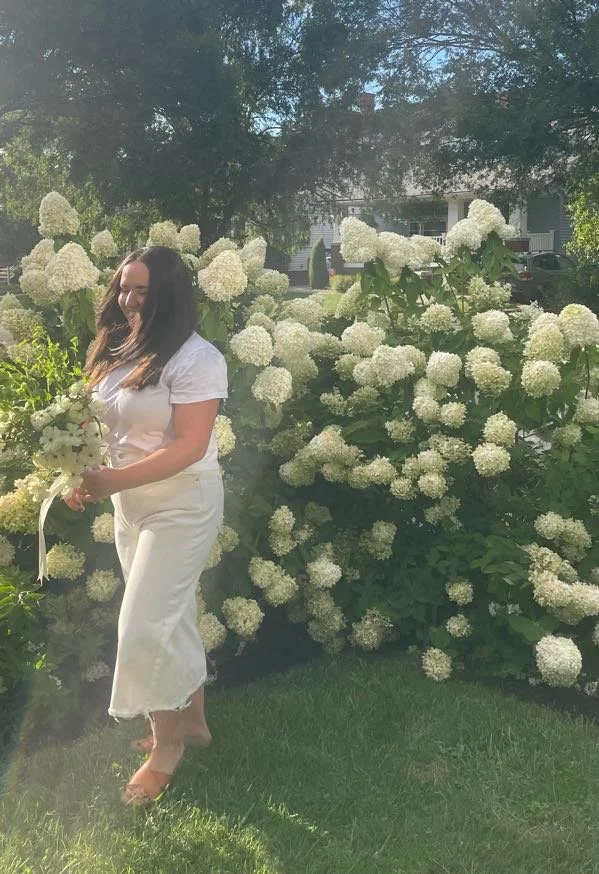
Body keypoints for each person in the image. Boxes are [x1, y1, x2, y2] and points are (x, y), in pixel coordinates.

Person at [65, 245, 228, 805]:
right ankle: (197, 723)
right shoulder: (118, 349)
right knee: (171, 614)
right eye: (124, 288)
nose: (129, 301)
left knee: (142, 626)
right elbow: (99, 428)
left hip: (183, 504)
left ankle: (167, 747)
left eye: (142, 291)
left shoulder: (196, 358)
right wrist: (78, 473)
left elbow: (190, 446)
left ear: (170, 295)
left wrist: (113, 480)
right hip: (130, 503)